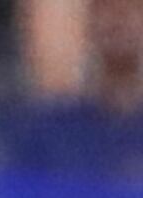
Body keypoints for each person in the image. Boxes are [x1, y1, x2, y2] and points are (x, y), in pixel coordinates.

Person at [11, 0, 143, 176]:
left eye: (130, 11)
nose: (118, 22)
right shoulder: (53, 126)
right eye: (106, 10)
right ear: (89, 23)